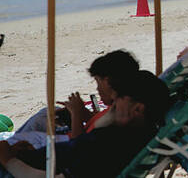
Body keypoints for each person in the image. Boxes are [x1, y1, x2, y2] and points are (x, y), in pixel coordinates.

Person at [0, 69, 170, 178]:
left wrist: (9, 160)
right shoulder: (132, 135)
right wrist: (28, 155)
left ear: (138, 109)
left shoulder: (111, 146)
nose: (113, 102)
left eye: (119, 98)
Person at [8, 50, 140, 150]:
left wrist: (76, 114)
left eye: (98, 82)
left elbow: (79, 145)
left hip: (72, 145)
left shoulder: (120, 115)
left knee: (15, 143)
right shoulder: (120, 106)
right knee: (48, 112)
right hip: (78, 138)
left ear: (107, 82)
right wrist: (83, 113)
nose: (97, 89)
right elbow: (97, 124)